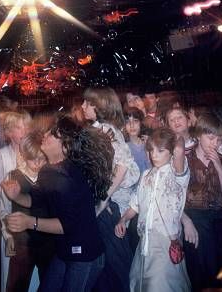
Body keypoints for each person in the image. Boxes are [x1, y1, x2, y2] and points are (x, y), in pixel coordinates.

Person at [1, 115, 114, 292]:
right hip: (64, 250)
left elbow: (66, 225)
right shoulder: (48, 170)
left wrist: (29, 222)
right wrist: (16, 196)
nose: (45, 135)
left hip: (84, 254)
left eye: (53, 134)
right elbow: (36, 200)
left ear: (65, 145)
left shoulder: (70, 177)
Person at [115, 128, 191, 292]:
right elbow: (135, 205)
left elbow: (179, 149)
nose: (154, 155)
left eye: (160, 150)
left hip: (165, 240)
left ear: (170, 152)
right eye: (151, 150)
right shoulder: (146, 175)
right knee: (140, 283)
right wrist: (123, 219)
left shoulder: (177, 173)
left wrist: (173, 137)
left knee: (161, 285)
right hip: (144, 241)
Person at [82, 87, 139, 292]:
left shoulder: (107, 130)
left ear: (98, 106)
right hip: (105, 203)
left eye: (87, 103)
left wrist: (103, 199)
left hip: (111, 206)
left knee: (118, 262)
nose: (83, 106)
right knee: (108, 263)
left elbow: (123, 167)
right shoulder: (98, 129)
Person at [184, 112, 222, 291]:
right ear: (199, 135)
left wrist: (219, 168)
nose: (215, 144)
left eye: (219, 140)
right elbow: (175, 198)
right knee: (202, 256)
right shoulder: (185, 161)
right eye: (211, 137)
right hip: (195, 217)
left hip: (220, 219)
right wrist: (186, 221)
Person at [4, 130, 54, 292]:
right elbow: (5, 208)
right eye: (33, 159)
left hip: (47, 240)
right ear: (24, 157)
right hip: (22, 241)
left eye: (42, 159)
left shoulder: (49, 176)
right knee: (17, 283)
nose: (38, 164)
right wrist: (8, 235)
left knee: (49, 282)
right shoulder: (13, 176)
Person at [0, 111, 30, 291]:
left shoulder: (35, 154)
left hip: (31, 228)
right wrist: (8, 234)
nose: (24, 130)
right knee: (12, 277)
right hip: (11, 224)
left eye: (25, 126)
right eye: (18, 127)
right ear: (8, 132)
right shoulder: (0, 157)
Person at [123, 107, 150, 174]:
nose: (132, 125)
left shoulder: (147, 142)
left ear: (141, 123)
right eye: (127, 122)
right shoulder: (123, 147)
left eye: (135, 121)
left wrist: (148, 149)